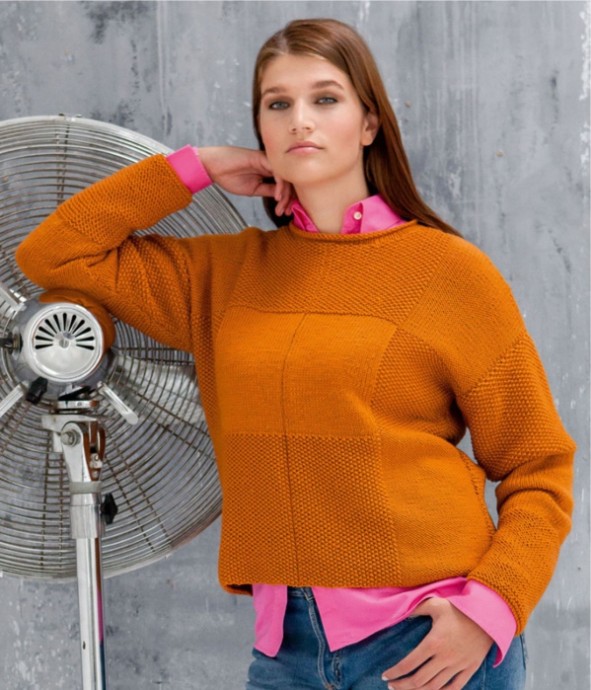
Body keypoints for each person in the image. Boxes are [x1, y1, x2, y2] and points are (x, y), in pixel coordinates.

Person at [16, 17, 575, 690]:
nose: (299, 120)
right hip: (286, 652)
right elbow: (53, 254)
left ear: (369, 123)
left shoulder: (448, 273)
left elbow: (537, 466)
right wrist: (197, 167)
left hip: (430, 640)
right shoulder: (222, 276)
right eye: (277, 104)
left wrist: (490, 610)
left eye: (325, 98)